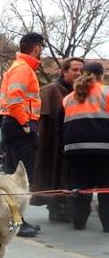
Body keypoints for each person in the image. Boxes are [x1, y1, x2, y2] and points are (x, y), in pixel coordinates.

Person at [0, 32, 44, 237]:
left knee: (14, 175)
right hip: (20, 126)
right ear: (37, 48)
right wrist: (26, 125)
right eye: (41, 48)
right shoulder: (23, 69)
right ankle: (17, 221)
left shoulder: (18, 67)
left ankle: (16, 220)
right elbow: (16, 100)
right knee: (21, 177)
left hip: (14, 125)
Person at [34, 57, 84, 222]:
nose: (79, 73)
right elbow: (43, 121)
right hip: (53, 142)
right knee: (54, 174)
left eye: (81, 70)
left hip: (74, 140)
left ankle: (71, 205)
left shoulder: (82, 92)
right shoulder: (50, 89)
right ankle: (56, 207)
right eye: (75, 69)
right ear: (64, 71)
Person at [62, 62, 109, 232]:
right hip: (104, 147)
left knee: (81, 187)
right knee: (105, 187)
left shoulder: (68, 98)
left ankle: (79, 223)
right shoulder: (106, 92)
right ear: (101, 75)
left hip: (74, 149)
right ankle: (107, 226)